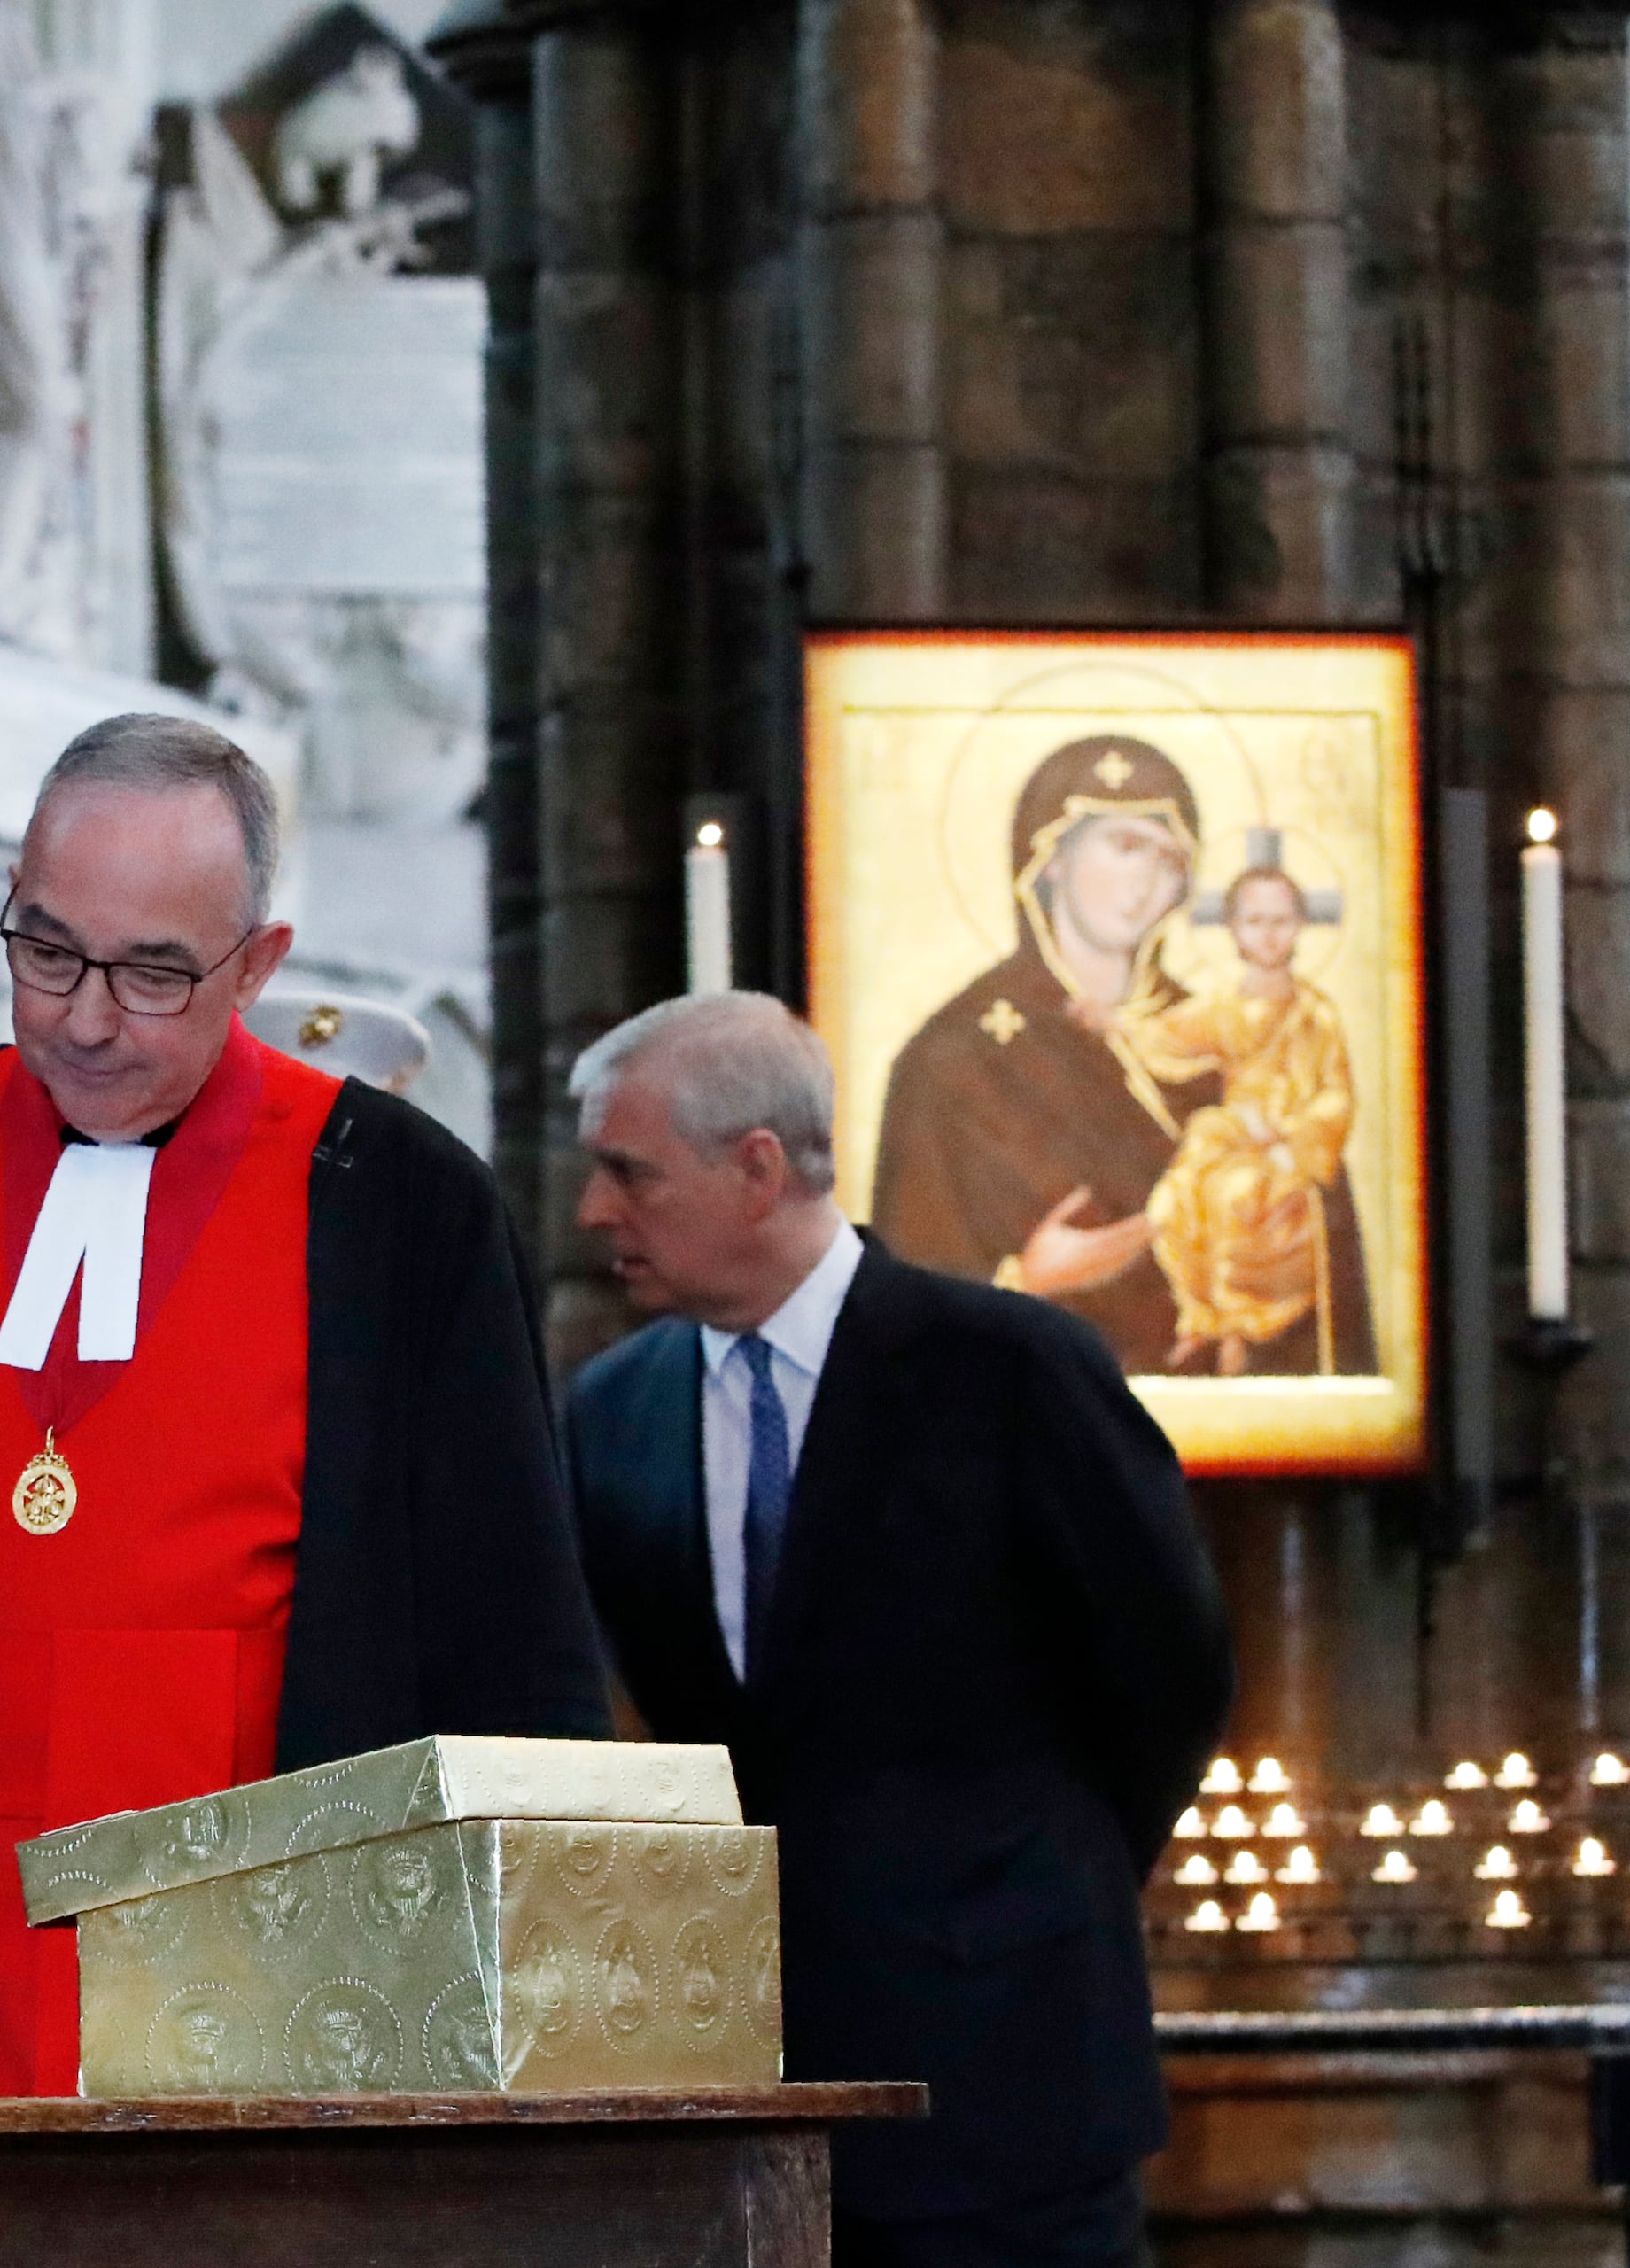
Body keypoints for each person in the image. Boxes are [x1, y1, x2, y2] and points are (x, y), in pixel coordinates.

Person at [0, 713, 609, 2097]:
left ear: (258, 964)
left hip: (259, 2032)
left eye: (154, 974)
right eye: (45, 952)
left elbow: (515, 1674)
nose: (86, 1018)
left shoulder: (401, 1204)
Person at [564, 992, 1232, 2268]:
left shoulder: (1011, 1370)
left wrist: (1021, 1880)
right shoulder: (613, 1409)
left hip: (1005, 2086)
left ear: (756, 1167)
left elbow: (1171, 1674)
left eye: (627, 1172)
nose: (596, 1212)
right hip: (737, 2101)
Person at [869, 734, 1221, 1371]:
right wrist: (1021, 1284)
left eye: (1169, 859)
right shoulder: (951, 1061)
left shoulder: (1222, 1044)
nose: (1145, 879)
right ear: (1050, 856)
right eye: (1124, 846)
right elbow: (905, 1307)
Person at [1127, 865, 1372, 1375]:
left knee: (1237, 1198)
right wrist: (1116, 1023)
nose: (1269, 933)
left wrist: (1292, 1139)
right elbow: (1168, 1037)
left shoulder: (1314, 1013)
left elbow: (1336, 1095)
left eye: (1281, 919)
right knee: (1173, 1201)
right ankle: (1203, 1318)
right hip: (1234, 1134)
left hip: (1291, 1150)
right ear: (1234, 929)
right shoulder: (1225, 1006)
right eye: (1255, 920)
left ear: (1301, 925)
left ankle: (1244, 1330)